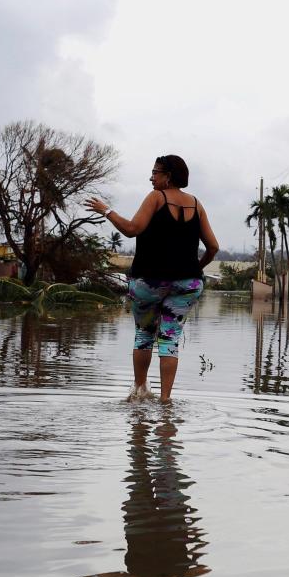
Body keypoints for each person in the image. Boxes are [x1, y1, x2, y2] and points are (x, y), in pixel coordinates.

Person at [84, 155, 219, 402]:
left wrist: (107, 210)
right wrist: (194, 269)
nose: (151, 177)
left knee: (145, 335)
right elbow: (213, 247)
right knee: (170, 339)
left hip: (149, 282)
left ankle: (140, 391)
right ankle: (165, 400)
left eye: (155, 172)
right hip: (187, 284)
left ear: (168, 177)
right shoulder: (197, 205)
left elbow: (132, 229)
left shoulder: (157, 196)